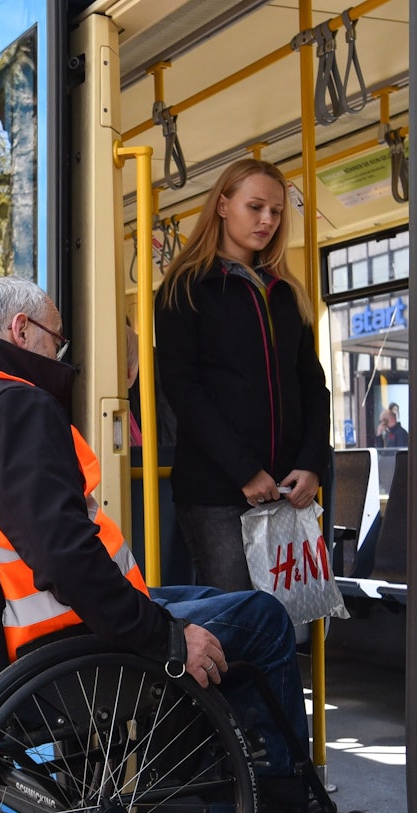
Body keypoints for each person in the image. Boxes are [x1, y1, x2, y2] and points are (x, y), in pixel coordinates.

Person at [0, 276, 365, 813]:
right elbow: (67, 559)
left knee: (205, 597)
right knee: (261, 620)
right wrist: (166, 637)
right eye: (56, 341)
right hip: (62, 657)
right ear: (21, 330)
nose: (59, 357)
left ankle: (228, 798)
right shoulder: (13, 404)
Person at [154, 158, 331, 593]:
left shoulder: (288, 294)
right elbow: (184, 390)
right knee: (236, 623)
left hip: (289, 488)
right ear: (222, 206)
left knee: (289, 619)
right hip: (217, 491)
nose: (267, 220)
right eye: (255, 207)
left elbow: (313, 385)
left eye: (275, 211)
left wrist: (311, 463)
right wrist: (245, 470)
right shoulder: (186, 287)